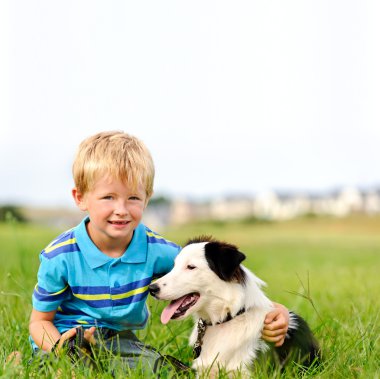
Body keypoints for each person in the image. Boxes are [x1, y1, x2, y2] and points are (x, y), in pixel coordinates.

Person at [28, 131, 289, 374]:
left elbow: (214, 278)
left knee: (158, 369)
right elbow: (39, 322)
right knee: (61, 369)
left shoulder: (158, 251)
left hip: (120, 342)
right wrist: (62, 346)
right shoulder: (59, 257)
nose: (121, 209)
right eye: (108, 197)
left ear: (147, 197)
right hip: (64, 337)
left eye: (133, 198)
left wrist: (273, 311)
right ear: (80, 197)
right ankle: (25, 360)